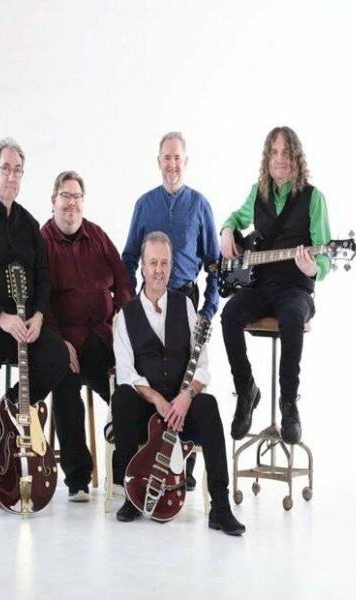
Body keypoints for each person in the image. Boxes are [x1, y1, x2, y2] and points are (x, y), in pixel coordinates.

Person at [0, 138, 78, 517]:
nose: (11, 176)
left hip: (23, 325)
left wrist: (37, 315)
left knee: (57, 357)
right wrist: (0, 317)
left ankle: (7, 412)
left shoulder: (28, 224)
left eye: (17, 170)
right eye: (5, 169)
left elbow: (43, 275)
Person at [112, 231, 245, 536]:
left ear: (171, 267)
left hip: (181, 409)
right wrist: (158, 400)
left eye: (164, 263)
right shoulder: (125, 315)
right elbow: (126, 373)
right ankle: (132, 495)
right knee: (122, 398)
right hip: (147, 410)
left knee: (208, 405)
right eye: (153, 263)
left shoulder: (185, 306)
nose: (159, 270)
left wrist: (186, 397)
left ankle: (220, 507)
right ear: (142, 267)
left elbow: (202, 366)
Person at [220, 126, 331, 445]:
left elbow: (325, 257)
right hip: (260, 285)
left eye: (285, 152)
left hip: (296, 289)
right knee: (229, 316)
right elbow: (237, 218)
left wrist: (314, 267)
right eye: (274, 152)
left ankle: (289, 405)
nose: (279, 159)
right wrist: (226, 230)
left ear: (296, 158)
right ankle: (246, 391)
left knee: (292, 318)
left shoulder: (313, 198)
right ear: (267, 158)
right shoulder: (258, 193)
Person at [122, 131, 220, 488]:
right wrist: (128, 306)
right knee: (151, 379)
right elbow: (128, 258)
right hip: (149, 301)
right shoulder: (144, 205)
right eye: (167, 157)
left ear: (185, 161)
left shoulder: (200, 205)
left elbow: (215, 264)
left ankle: (184, 465)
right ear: (158, 161)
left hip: (186, 300)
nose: (172, 164)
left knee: (186, 383)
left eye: (178, 157)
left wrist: (208, 309)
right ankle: (146, 460)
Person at [41, 171, 134, 499]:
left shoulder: (97, 236)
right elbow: (41, 302)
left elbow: (123, 281)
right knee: (66, 390)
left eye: (77, 197)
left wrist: (122, 319)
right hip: (67, 342)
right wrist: (59, 342)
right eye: (65, 196)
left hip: (103, 338)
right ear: (53, 200)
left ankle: (123, 474)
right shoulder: (42, 242)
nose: (72, 203)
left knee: (129, 388)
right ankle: (78, 478)